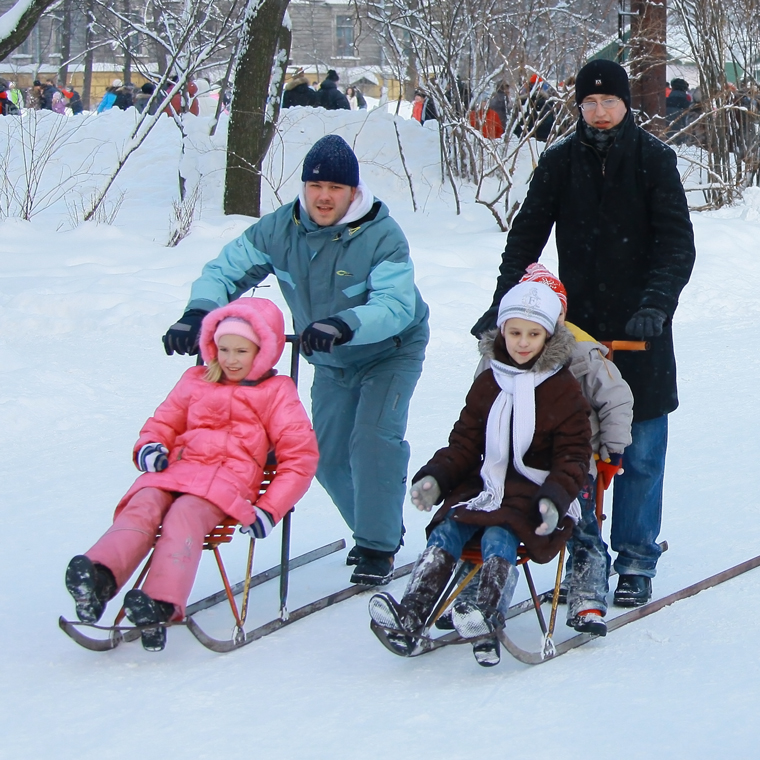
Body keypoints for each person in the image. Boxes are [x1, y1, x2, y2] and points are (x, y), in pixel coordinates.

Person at [471, 59, 696, 607]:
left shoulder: (653, 161)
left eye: (608, 102)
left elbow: (676, 246)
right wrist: (505, 308)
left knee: (640, 446)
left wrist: (655, 305)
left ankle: (637, 556)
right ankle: (585, 550)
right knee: (573, 444)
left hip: (642, 329)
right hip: (576, 329)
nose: (598, 112)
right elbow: (525, 240)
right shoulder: (558, 162)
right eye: (589, 103)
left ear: (625, 105)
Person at [162, 134, 430, 587]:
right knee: (322, 456)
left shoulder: (381, 235)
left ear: (353, 192)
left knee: (372, 441)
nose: (324, 196)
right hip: (329, 358)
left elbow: (395, 305)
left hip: (389, 351)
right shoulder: (280, 229)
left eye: (335, 188)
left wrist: (344, 324)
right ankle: (378, 525)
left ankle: (377, 544)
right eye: (315, 186)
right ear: (304, 187)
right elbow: (225, 270)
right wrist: (197, 313)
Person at [64, 298, 319, 651]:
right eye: (223, 348)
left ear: (264, 351)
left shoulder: (276, 393)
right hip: (177, 471)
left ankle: (160, 603)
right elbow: (163, 422)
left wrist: (270, 508)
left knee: (184, 516)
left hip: (226, 484)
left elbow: (300, 458)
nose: (229, 359)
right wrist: (151, 446)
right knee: (143, 503)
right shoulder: (195, 380)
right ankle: (99, 578)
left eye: (241, 351)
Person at [369, 282, 591, 666]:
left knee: (500, 532)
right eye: (515, 332)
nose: (523, 343)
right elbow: (465, 443)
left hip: (535, 492)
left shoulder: (563, 389)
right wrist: (436, 478)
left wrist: (556, 498)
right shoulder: (490, 381)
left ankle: (486, 611)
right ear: (502, 330)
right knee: (448, 527)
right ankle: (412, 612)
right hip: (487, 484)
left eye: (533, 334)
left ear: (548, 335)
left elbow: (573, 456)